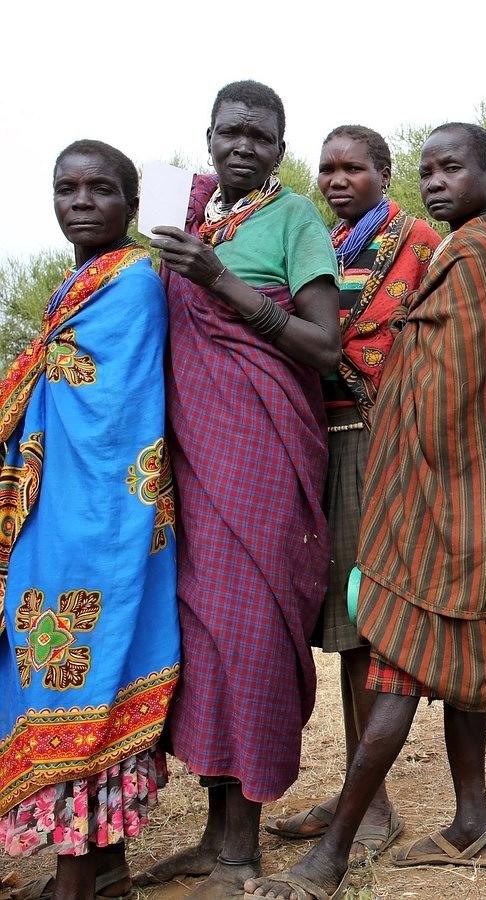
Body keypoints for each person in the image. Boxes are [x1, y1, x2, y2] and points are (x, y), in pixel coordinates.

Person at [245, 121, 486, 900]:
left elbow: (447, 385)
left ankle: (338, 850)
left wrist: (405, 469)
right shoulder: (461, 249)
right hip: (441, 478)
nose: (436, 182)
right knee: (421, 648)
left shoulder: (467, 255)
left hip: (426, 479)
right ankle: (467, 822)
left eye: (452, 169)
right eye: (429, 170)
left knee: (392, 654)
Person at [140, 79, 340, 899]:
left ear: (281, 150)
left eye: (261, 136)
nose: (243, 146)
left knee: (249, 636)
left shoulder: (295, 220)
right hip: (190, 456)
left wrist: (220, 281)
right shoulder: (185, 211)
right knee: (201, 640)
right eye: (231, 132)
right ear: (210, 137)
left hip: (262, 454)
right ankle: (211, 838)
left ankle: (242, 851)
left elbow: (324, 346)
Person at [0, 141, 179, 900]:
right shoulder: (76, 286)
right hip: (60, 512)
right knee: (68, 673)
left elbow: (116, 415)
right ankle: (106, 869)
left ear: (133, 205)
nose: (80, 201)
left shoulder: (133, 282)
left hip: (104, 521)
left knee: (82, 679)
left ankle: (78, 878)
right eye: (66, 188)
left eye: (100, 189)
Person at [262, 125, 440, 861]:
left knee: (370, 624)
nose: (337, 180)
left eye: (353, 169)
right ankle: (363, 795)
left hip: (381, 443)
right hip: (319, 441)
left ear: (384, 173)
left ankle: (370, 808)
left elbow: (428, 345)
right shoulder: (324, 246)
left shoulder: (418, 242)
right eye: (327, 169)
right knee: (344, 627)